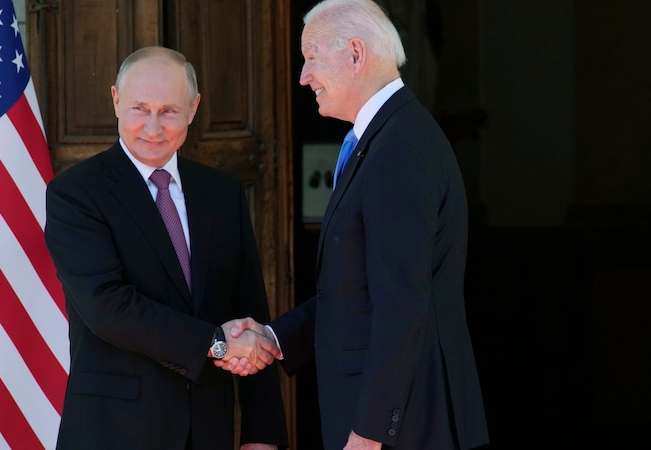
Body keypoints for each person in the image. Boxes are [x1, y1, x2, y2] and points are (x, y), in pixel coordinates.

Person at [218, 0, 489, 449]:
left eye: (311, 57)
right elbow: (356, 291)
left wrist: (367, 434)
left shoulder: (397, 150)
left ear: (357, 54)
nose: (303, 76)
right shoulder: (385, 138)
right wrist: (273, 337)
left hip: (407, 430)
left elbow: (401, 307)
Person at [44, 46, 288, 450]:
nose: (153, 128)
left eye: (169, 111)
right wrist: (216, 342)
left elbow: (251, 312)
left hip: (208, 430)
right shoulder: (77, 194)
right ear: (116, 101)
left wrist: (262, 436)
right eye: (140, 108)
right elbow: (108, 307)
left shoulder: (222, 193)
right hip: (114, 433)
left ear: (193, 109)